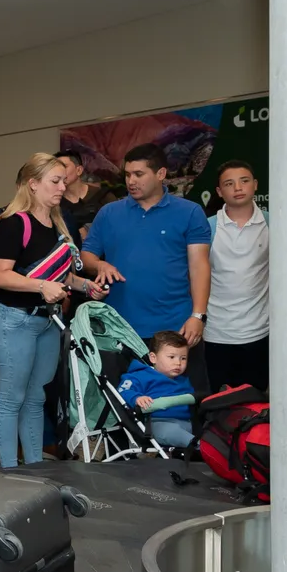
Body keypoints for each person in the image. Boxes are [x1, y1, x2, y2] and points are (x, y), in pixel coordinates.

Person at [0, 153, 106, 469]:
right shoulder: (13, 225)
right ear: (33, 184)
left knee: (37, 398)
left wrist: (85, 286)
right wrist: (41, 287)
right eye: (55, 181)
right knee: (11, 399)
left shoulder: (56, 225)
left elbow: (61, 275)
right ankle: (10, 471)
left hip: (46, 322)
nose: (61, 187)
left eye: (63, 181)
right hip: (15, 320)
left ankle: (35, 468)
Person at [81, 143, 212, 393]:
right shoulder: (109, 213)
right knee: (126, 404)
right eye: (128, 174)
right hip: (121, 329)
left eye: (139, 174)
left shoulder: (189, 212)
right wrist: (99, 264)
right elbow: (86, 255)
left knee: (187, 404)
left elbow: (200, 266)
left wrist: (198, 316)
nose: (131, 181)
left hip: (176, 328)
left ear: (161, 174)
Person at [205, 160, 269, 392]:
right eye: (229, 184)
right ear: (220, 192)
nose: (238, 188)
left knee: (257, 405)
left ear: (255, 185)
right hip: (216, 332)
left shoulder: (274, 224)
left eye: (244, 181)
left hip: (260, 331)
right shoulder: (207, 227)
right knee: (219, 406)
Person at [118, 330, 196, 448]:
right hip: (157, 422)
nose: (178, 363)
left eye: (183, 358)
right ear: (153, 358)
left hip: (186, 422)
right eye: (172, 357)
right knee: (176, 434)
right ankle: (201, 448)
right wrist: (137, 397)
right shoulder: (140, 375)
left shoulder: (183, 380)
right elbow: (122, 391)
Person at [56, 150, 116, 244]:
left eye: (64, 166)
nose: (59, 172)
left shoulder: (103, 196)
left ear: (79, 170)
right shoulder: (55, 202)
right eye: (55, 168)